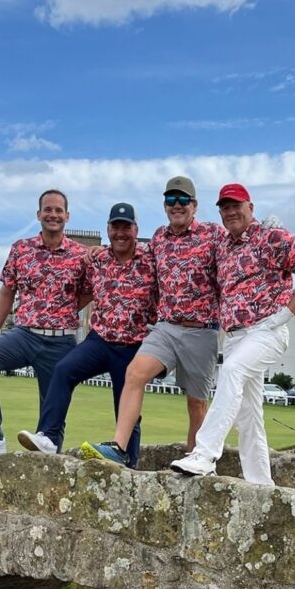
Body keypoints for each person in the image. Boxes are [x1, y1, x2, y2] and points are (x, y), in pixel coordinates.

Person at [170, 183, 295, 485]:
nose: (231, 212)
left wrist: (288, 311)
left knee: (231, 371)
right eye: (225, 207)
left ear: (250, 208)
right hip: (235, 337)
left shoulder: (271, 237)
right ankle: (261, 485)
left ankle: (204, 453)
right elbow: (191, 240)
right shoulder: (222, 245)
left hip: (266, 330)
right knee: (249, 417)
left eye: (236, 205)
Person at [82, 175, 222, 464]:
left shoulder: (213, 234)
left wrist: (263, 228)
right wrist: (101, 251)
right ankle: (119, 448)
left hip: (202, 330)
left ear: (194, 205)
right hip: (167, 328)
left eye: (183, 199)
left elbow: (241, 242)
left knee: (196, 402)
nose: (177, 205)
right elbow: (131, 255)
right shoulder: (158, 238)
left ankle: (196, 458)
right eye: (171, 200)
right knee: (135, 374)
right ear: (165, 205)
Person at [17, 202, 157, 466]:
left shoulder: (150, 259)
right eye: (115, 227)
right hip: (99, 339)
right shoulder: (97, 259)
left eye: (126, 227)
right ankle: (48, 436)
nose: (121, 233)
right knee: (64, 370)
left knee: (126, 407)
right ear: (108, 229)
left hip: (133, 344)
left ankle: (131, 463)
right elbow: (71, 281)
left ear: (136, 230)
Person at [0, 189, 89, 457]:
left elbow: (90, 291)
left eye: (58, 210)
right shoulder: (22, 249)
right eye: (48, 209)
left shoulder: (81, 255)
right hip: (25, 335)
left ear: (67, 216)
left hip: (61, 340)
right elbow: (7, 291)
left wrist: (64, 308)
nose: (53, 214)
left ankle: (50, 457)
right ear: (38, 214)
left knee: (51, 416)